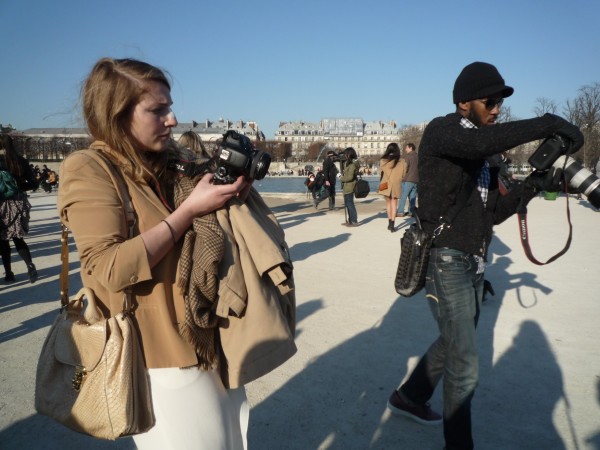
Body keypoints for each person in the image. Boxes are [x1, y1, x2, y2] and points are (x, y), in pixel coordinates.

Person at [57, 57, 255, 449]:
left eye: (169, 106)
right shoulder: (89, 168)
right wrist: (189, 212)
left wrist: (230, 194)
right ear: (117, 116)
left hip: (205, 334)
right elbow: (107, 268)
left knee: (234, 440)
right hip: (157, 353)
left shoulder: (172, 165)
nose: (172, 118)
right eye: (157, 110)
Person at [385, 61, 583, 450]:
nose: (496, 109)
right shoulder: (443, 131)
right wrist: (548, 123)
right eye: (490, 101)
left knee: (455, 340)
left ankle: (409, 396)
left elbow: (491, 215)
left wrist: (531, 186)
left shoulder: (489, 159)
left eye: (500, 103)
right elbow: (477, 143)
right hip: (445, 257)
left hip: (474, 260)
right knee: (465, 363)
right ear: (463, 104)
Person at [0, 134, 38, 283]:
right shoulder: (21, 161)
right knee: (18, 237)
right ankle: (29, 265)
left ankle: (9, 273)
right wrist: (18, 188)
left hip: (1, 204)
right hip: (18, 203)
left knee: (3, 241)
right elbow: (34, 184)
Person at [378, 143, 404, 232]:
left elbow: (380, 173)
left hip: (385, 184)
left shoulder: (383, 161)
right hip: (396, 184)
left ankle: (389, 223)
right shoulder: (402, 161)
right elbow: (404, 174)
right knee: (394, 205)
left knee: (388, 204)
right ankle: (392, 224)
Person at [340, 147, 360, 227]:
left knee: (350, 203)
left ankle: (354, 220)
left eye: (346, 154)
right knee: (347, 204)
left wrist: (341, 178)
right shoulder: (348, 163)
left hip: (350, 186)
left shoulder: (352, 165)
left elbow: (349, 177)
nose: (345, 156)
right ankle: (350, 220)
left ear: (349, 155)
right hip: (346, 186)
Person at [397, 143, 418, 217]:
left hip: (408, 179)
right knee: (413, 197)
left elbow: (405, 168)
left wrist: (402, 176)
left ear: (410, 148)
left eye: (406, 148)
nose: (405, 149)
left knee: (403, 196)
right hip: (416, 179)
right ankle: (411, 212)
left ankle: (400, 211)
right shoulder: (418, 156)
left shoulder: (408, 157)